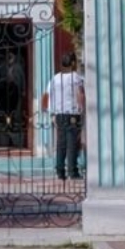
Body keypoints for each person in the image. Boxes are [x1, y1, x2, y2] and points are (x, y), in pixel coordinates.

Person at [42, 52, 84, 180]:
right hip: (72, 114)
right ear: (72, 63)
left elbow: (46, 95)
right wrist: (82, 110)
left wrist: (49, 112)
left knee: (61, 143)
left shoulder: (55, 78)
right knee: (72, 143)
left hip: (58, 114)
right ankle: (72, 171)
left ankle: (60, 171)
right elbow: (80, 95)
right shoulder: (75, 77)